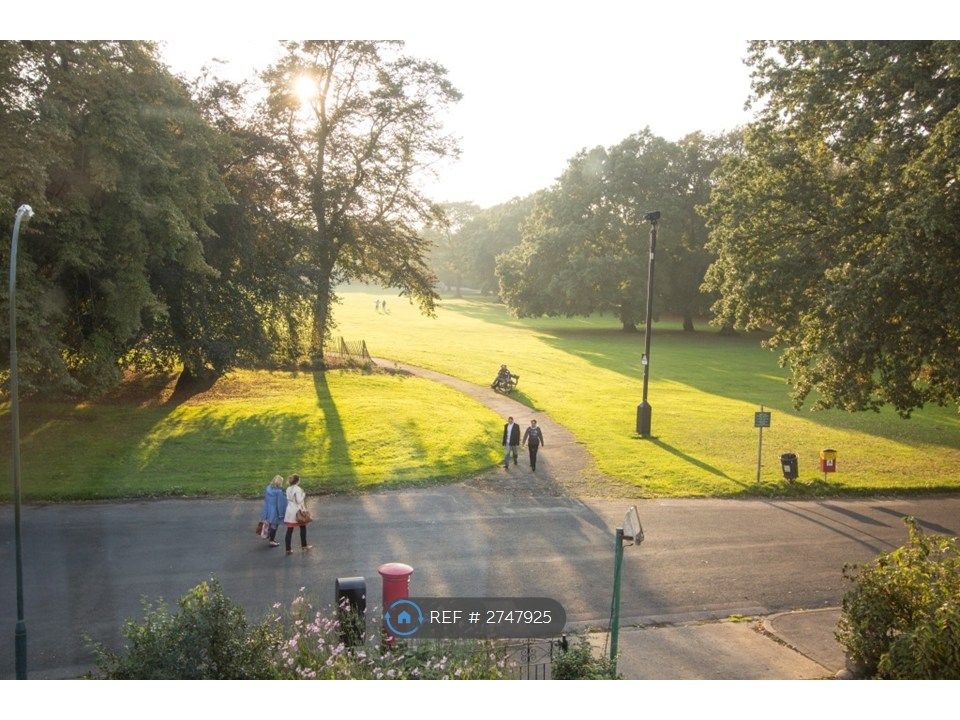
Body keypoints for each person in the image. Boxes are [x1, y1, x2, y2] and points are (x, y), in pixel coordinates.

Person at [283, 474, 313, 555]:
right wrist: (303, 495)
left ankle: (288, 549)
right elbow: (299, 501)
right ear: (297, 481)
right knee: (303, 527)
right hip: (297, 511)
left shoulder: (288, 488)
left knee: (289, 530)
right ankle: (304, 545)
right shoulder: (298, 489)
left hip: (289, 510)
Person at [260, 475, 287, 547]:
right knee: (274, 526)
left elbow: (266, 498)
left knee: (269, 523)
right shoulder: (279, 492)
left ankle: (269, 537)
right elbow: (280, 504)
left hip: (268, 508)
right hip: (275, 511)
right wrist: (281, 514)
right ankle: (272, 540)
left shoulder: (268, 488)